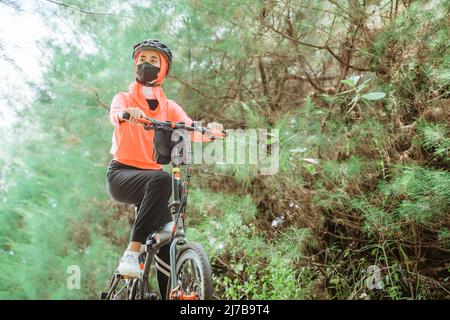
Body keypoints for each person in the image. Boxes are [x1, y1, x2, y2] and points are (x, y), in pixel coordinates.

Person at [106, 39, 222, 298]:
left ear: (164, 70)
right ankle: (132, 252)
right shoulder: (124, 98)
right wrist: (127, 113)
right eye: (142, 59)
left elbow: (191, 128)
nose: (146, 64)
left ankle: (171, 293)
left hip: (151, 182)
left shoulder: (169, 108)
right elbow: (115, 115)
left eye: (154, 60)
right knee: (161, 179)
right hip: (121, 174)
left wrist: (211, 132)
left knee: (167, 236)